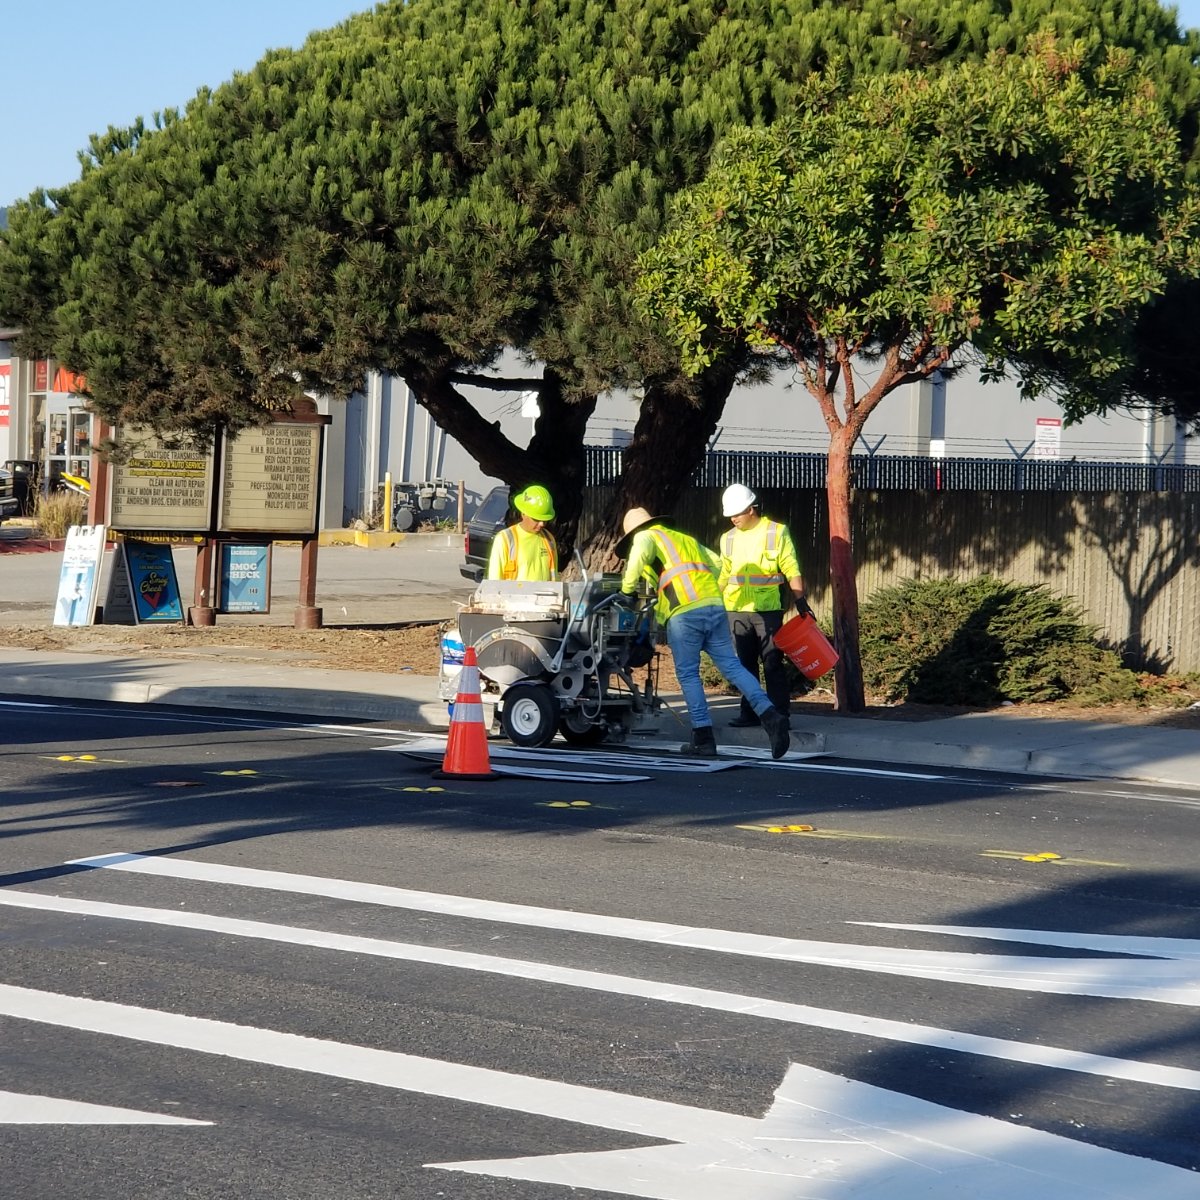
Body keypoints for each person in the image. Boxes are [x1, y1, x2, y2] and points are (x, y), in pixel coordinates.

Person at [617, 506, 790, 759]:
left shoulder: (646, 536)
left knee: (688, 675)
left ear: (634, 532)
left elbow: (639, 554)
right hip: (714, 606)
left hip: (685, 613)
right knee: (732, 666)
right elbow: (718, 563)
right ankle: (771, 715)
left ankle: (703, 738)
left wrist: (626, 590)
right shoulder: (685, 539)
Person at [717, 483, 809, 729]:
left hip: (767, 610)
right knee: (744, 666)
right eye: (730, 515)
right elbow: (724, 575)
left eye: (737, 513)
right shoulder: (727, 539)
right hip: (735, 609)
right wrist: (715, 604)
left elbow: (791, 567)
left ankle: (780, 714)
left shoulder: (776, 532)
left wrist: (800, 599)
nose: (733, 518)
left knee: (772, 663)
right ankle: (749, 713)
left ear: (751, 508)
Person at [487, 484, 559, 581]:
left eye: (545, 519)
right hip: (513, 596)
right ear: (523, 513)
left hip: (544, 596)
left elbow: (554, 578)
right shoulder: (505, 539)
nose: (542, 524)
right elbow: (494, 583)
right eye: (536, 519)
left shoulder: (549, 539)